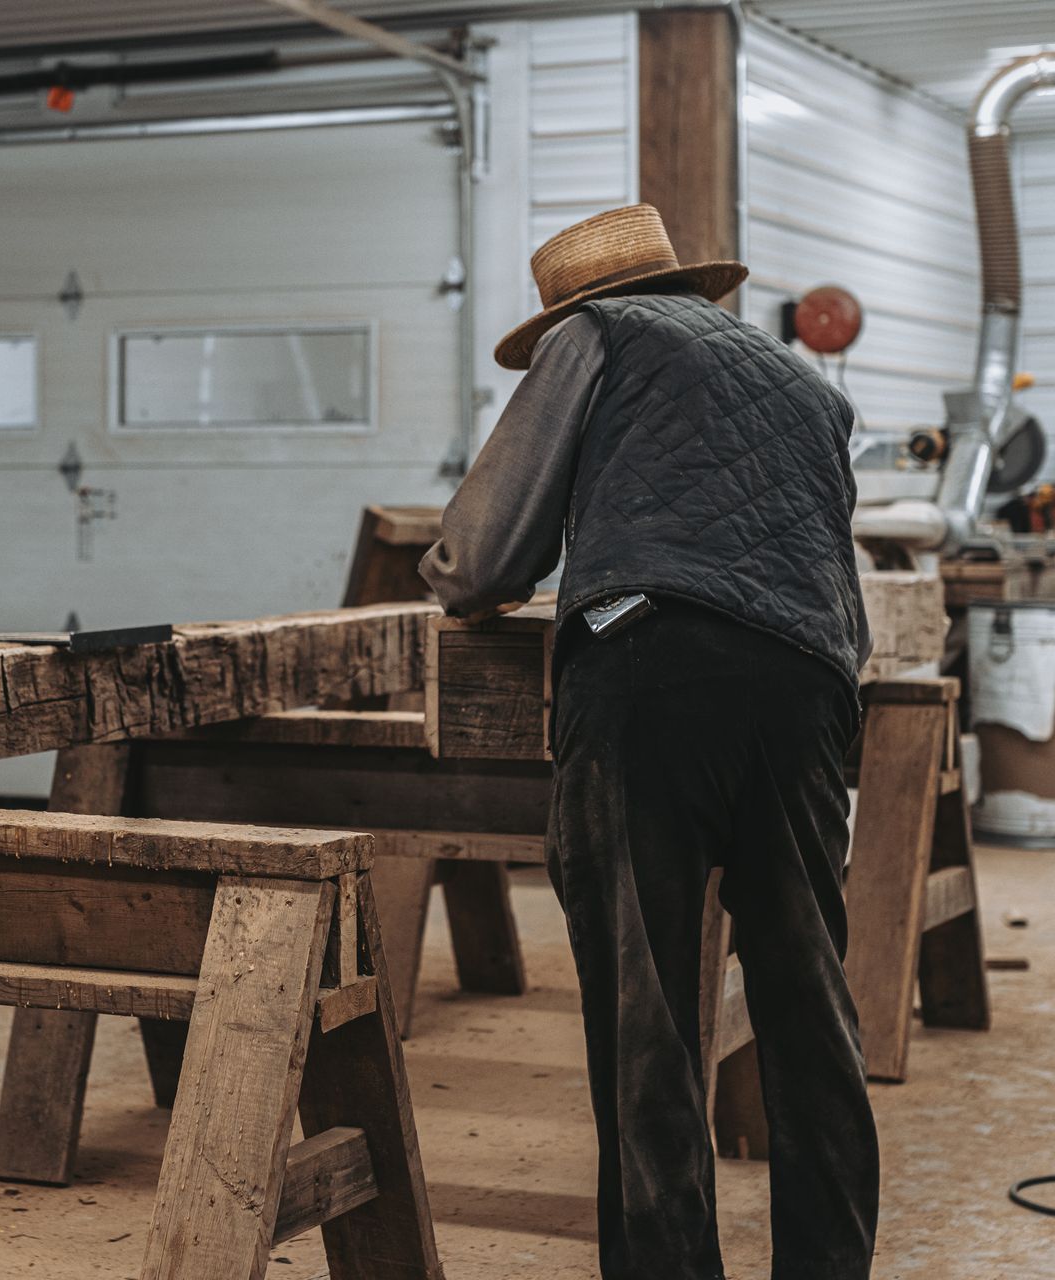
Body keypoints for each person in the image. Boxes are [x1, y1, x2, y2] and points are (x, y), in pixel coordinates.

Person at [420, 203, 878, 1280]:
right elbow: (837, 589)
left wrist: (445, 576)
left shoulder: (596, 337)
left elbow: (485, 558)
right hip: (809, 685)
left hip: (652, 669)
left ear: (575, 302)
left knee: (649, 1010)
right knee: (809, 997)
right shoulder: (806, 383)